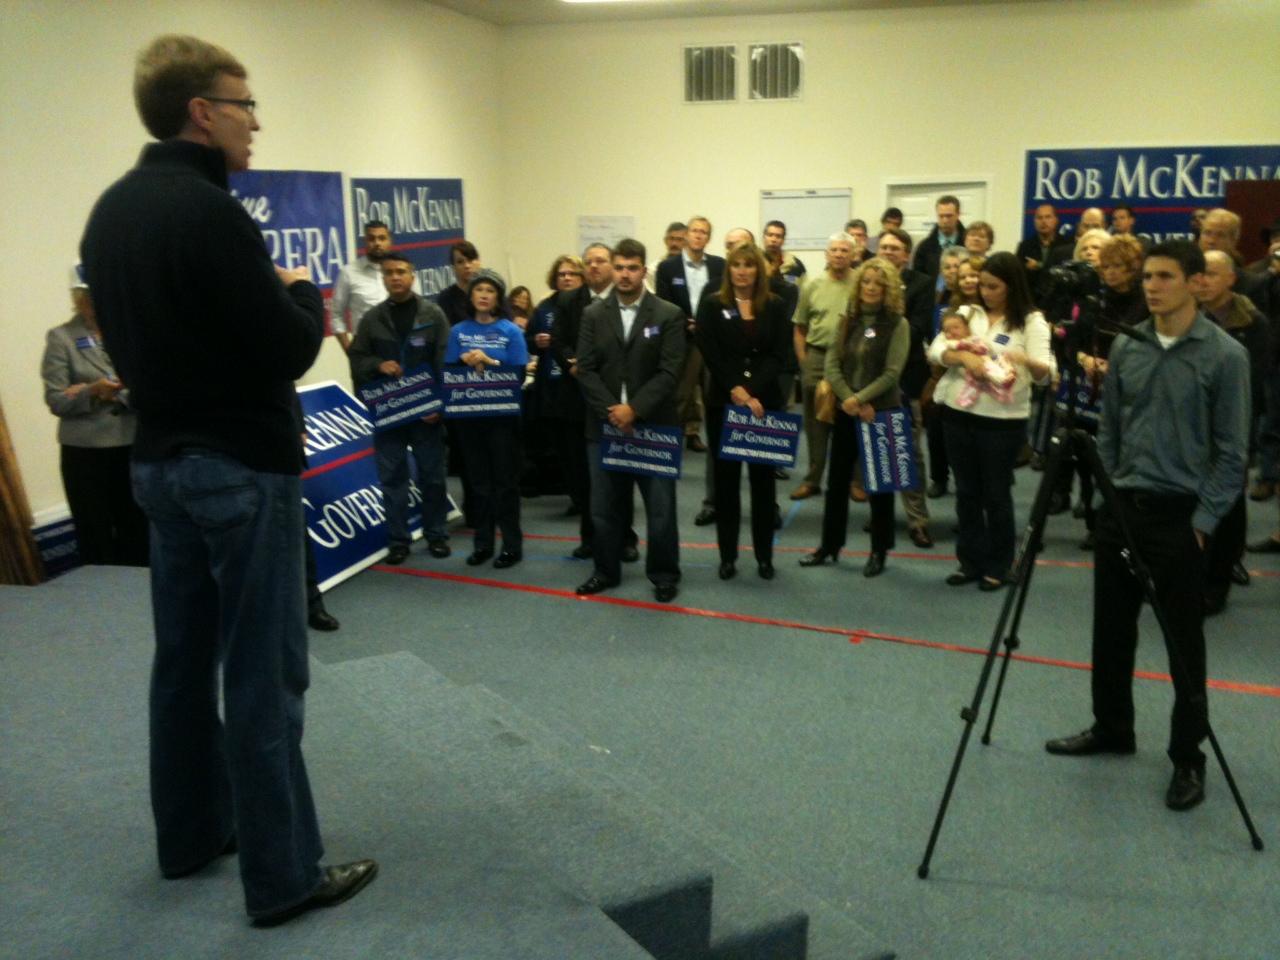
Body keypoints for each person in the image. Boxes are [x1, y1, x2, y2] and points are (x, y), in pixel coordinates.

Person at [79, 34, 375, 925]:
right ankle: (285, 874)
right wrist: (299, 289)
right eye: (246, 107)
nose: (256, 125)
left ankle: (191, 833)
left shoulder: (111, 213)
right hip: (241, 471)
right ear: (202, 112)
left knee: (180, 665)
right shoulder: (212, 216)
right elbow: (289, 347)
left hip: (159, 466)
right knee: (264, 676)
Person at [1045, 240, 1250, 814]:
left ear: (1194, 282)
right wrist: (1107, 497)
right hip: (1122, 510)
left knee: (1184, 645)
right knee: (1111, 631)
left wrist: (1204, 523)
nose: (1152, 286)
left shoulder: (1225, 356)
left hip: (1181, 520)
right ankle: (1112, 727)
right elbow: (1108, 430)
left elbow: (1233, 453)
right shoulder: (1129, 350)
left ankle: (1188, 755)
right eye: (1148, 278)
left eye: (1164, 277)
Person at [928, 252, 1055, 590]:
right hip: (958, 415)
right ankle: (969, 562)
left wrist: (1025, 359)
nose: (984, 292)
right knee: (966, 493)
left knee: (996, 495)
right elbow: (937, 348)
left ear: (1012, 286)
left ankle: (998, 565)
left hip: (1002, 422)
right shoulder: (969, 313)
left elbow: (1046, 374)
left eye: (993, 287)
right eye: (982, 285)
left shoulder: (1032, 322)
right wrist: (964, 356)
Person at [575, 239, 686, 603]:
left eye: (632, 267)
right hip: (605, 426)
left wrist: (633, 410)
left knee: (661, 509)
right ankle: (605, 571)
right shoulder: (593, 314)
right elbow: (586, 369)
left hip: (653, 425)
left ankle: (665, 574)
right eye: (619, 267)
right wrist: (614, 411)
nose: (625, 274)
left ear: (643, 271)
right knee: (604, 509)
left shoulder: (668, 313)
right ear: (612, 269)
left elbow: (671, 373)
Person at [798, 258, 910, 577]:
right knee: (836, 484)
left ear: (888, 289)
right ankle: (829, 546)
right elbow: (832, 366)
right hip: (848, 412)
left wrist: (860, 399)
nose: (871, 288)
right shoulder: (847, 320)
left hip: (881, 413)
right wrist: (849, 399)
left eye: (878, 283)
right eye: (866, 282)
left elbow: (892, 373)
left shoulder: (897, 324)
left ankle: (878, 551)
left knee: (879, 487)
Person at [347, 252, 452, 565]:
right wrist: (378, 364)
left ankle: (436, 535)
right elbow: (357, 358)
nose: (395, 277)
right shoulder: (372, 319)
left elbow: (445, 361)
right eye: (389, 272)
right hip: (390, 411)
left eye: (401, 272)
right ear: (383, 278)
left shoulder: (433, 314)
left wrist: (441, 405)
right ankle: (398, 541)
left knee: (432, 477)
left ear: (412, 276)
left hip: (426, 412)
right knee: (392, 478)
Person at [695, 241, 791, 580]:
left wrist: (752, 391)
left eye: (749, 266)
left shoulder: (776, 306)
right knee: (726, 485)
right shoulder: (711, 305)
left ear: (758, 271)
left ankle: (765, 556)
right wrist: (736, 389)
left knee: (763, 485)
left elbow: (779, 355)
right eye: (736, 265)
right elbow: (711, 352)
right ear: (728, 270)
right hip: (725, 403)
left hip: (765, 405)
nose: (742, 272)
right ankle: (728, 557)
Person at [40, 268, 149, 566]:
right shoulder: (61, 338)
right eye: (89, 296)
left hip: (131, 445)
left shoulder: (129, 333)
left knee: (138, 529)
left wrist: (120, 393)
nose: (98, 302)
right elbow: (56, 399)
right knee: (95, 533)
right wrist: (93, 391)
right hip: (86, 454)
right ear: (78, 299)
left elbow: (151, 383)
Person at [549, 244, 640, 563]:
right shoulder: (569, 300)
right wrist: (572, 363)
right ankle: (590, 537)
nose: (594, 267)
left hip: (614, 400)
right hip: (575, 398)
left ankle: (626, 538)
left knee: (619, 473)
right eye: (588, 262)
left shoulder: (626, 301)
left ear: (613, 266)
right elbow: (557, 340)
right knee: (580, 475)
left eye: (601, 261)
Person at [1196, 249, 1272, 613]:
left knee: (1226, 501)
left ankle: (1218, 579)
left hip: (1231, 423)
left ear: (1230, 278)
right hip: (1187, 425)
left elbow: (1253, 380)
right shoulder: (1181, 314)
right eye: (1199, 273)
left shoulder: (1252, 322)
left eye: (1211, 274)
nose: (1202, 280)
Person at [445, 269, 529, 568]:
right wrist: (462, 361)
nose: (483, 295)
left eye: (489, 290)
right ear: (471, 296)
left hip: (502, 418)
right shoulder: (458, 331)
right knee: (478, 484)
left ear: (498, 298)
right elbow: (450, 374)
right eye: (478, 290)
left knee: (505, 482)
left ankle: (511, 545)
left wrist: (490, 361)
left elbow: (519, 375)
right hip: (469, 417)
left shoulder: (511, 332)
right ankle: (482, 543)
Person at [873, 228, 935, 546]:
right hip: (872, 381)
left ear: (906, 254)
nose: (887, 252)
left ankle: (918, 520)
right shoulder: (868, 280)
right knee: (878, 448)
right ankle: (881, 516)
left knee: (909, 451)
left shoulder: (921, 284)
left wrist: (884, 331)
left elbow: (920, 328)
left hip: (907, 378)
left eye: (894, 248)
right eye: (883, 247)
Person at [790, 233, 858, 501]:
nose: (839, 254)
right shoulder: (812, 285)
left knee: (850, 417)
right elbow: (799, 328)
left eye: (844, 250)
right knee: (816, 423)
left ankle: (855, 481)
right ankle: (813, 479)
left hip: (851, 360)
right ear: (826, 255)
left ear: (853, 255)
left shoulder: (861, 284)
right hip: (817, 358)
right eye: (834, 250)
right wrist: (805, 363)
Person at [655, 215, 724, 454]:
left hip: (711, 339)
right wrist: (687, 323)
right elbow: (663, 303)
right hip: (681, 338)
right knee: (681, 396)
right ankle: (669, 446)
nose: (697, 235)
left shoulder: (718, 266)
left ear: (708, 238)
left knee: (713, 396)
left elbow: (723, 301)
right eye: (694, 230)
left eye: (703, 232)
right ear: (686, 235)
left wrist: (705, 323)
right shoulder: (668, 267)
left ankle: (716, 445)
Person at [330, 220, 393, 351]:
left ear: (389, 241)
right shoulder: (349, 273)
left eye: (382, 238)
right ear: (365, 242)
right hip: (364, 349)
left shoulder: (401, 272)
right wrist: (351, 353)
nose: (377, 243)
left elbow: (417, 312)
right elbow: (336, 315)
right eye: (372, 239)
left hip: (398, 347)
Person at [912, 194, 966, 279]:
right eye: (941, 216)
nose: (945, 220)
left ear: (958, 215)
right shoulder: (924, 247)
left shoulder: (968, 245)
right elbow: (917, 280)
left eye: (949, 216)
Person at [437, 240, 483, 326]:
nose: (467, 266)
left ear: (478, 262)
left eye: (470, 260)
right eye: (460, 262)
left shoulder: (491, 294)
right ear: (454, 267)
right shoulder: (446, 299)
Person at [762, 219, 806, 285]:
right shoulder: (754, 262)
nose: (773, 239)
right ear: (764, 237)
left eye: (778, 236)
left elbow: (803, 291)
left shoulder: (795, 265)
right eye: (770, 235)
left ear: (783, 240)